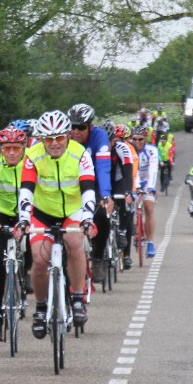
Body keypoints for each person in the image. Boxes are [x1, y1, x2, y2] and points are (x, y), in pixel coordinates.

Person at [15, 109, 97, 337]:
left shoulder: (80, 154)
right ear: (41, 139)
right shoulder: (32, 155)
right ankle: (41, 309)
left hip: (73, 210)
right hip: (42, 212)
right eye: (48, 139)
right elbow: (26, 190)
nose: (54, 143)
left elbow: (88, 189)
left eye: (59, 137)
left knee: (74, 242)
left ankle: (78, 298)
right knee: (40, 260)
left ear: (67, 135)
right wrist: (24, 219)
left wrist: (88, 217)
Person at [0, 124, 29, 342]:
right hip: (0, 212)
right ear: (0, 149)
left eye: (16, 148)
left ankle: (27, 273)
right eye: (7, 148)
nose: (12, 153)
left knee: (34, 246)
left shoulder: (31, 162)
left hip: (27, 211)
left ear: (24, 148)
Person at [67, 103, 112, 273]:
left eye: (81, 127)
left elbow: (103, 166)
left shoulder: (99, 136)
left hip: (95, 182)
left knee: (102, 215)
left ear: (90, 126)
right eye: (73, 127)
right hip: (71, 183)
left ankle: (98, 258)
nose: (76, 131)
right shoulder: (65, 138)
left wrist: (105, 194)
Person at [106, 121, 136, 270]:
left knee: (126, 205)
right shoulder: (97, 149)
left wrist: (128, 191)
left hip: (119, 180)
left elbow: (128, 172)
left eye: (113, 140)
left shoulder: (122, 148)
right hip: (105, 181)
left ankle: (126, 251)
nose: (110, 143)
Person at [132, 127, 159, 258]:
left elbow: (153, 170)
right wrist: (136, 187)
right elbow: (132, 171)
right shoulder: (129, 150)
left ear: (145, 139)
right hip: (134, 181)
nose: (137, 142)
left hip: (147, 181)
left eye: (140, 139)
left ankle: (150, 242)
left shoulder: (152, 150)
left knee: (148, 207)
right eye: (135, 139)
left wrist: (150, 187)